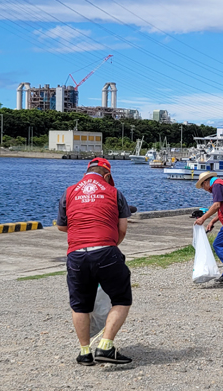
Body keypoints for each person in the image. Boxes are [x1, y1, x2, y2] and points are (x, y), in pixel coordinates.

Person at [57, 157, 133, 366]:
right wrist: (111, 245)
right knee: (121, 298)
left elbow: (62, 226)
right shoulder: (115, 193)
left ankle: (84, 352)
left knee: (80, 304)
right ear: (107, 175)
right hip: (106, 251)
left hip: (76, 254)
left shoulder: (69, 192)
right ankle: (106, 346)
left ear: (87, 171)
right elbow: (123, 228)